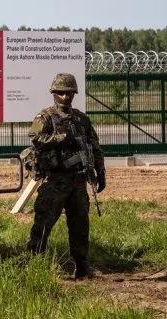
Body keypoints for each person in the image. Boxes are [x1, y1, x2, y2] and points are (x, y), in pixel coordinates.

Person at [27, 73, 106, 279]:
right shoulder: (45, 117)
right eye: (61, 93)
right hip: (55, 181)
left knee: (80, 225)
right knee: (43, 224)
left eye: (69, 93)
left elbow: (94, 145)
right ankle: (34, 264)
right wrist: (61, 138)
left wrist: (100, 170)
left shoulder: (81, 119)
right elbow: (35, 138)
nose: (65, 97)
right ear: (54, 93)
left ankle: (81, 265)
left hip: (78, 181)